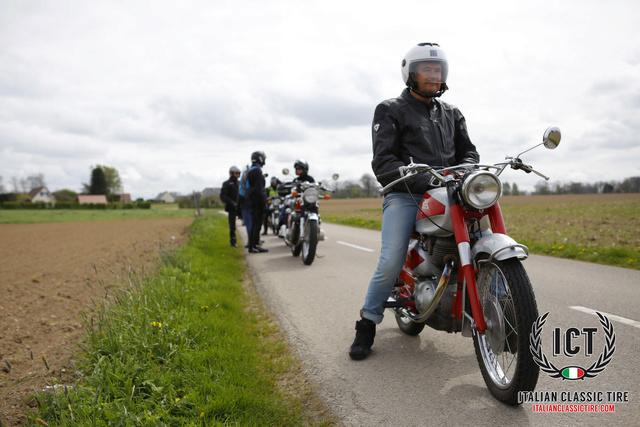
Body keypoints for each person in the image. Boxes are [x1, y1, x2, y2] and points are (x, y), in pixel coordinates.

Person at [349, 42, 480, 360]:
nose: (434, 76)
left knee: (480, 235)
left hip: (448, 191)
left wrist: (466, 172)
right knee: (391, 259)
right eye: (427, 70)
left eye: (438, 70)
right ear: (411, 73)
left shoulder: (452, 112)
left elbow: (469, 153)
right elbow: (383, 162)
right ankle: (366, 325)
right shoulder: (390, 109)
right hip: (405, 193)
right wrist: (423, 179)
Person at [277, 159, 315, 231]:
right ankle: (282, 226)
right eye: (297, 170)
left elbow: (314, 189)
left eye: (300, 169)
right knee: (286, 208)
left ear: (305, 169)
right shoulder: (296, 180)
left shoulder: (310, 179)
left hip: (307, 200)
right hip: (298, 199)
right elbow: (292, 188)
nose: (298, 171)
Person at [245, 151, 268, 253]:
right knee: (257, 224)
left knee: (255, 224)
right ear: (260, 159)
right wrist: (264, 203)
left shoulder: (251, 170)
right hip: (257, 202)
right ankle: (253, 246)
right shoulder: (257, 171)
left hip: (252, 201)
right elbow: (259, 189)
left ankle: (252, 245)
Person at [219, 165, 241, 247]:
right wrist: (231, 203)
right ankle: (233, 241)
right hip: (231, 207)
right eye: (236, 174)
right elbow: (223, 196)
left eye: (238, 174)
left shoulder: (240, 183)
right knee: (232, 225)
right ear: (232, 174)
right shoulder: (226, 184)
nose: (237, 175)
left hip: (240, 206)